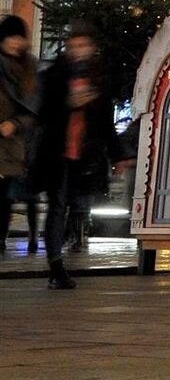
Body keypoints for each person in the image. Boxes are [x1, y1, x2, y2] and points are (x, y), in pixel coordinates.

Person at [33, 20, 115, 290]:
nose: (78, 50)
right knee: (57, 207)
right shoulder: (55, 75)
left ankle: (63, 253)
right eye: (74, 45)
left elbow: (106, 122)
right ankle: (56, 267)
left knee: (75, 205)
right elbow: (41, 113)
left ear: (92, 48)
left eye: (83, 45)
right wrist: (68, 104)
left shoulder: (99, 78)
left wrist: (118, 154)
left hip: (84, 155)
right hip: (57, 153)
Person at [0, 15, 37, 254]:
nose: (15, 42)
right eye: (10, 37)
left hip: (16, 144)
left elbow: (35, 109)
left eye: (19, 37)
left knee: (5, 198)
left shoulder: (30, 69)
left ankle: (0, 239)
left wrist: (15, 123)